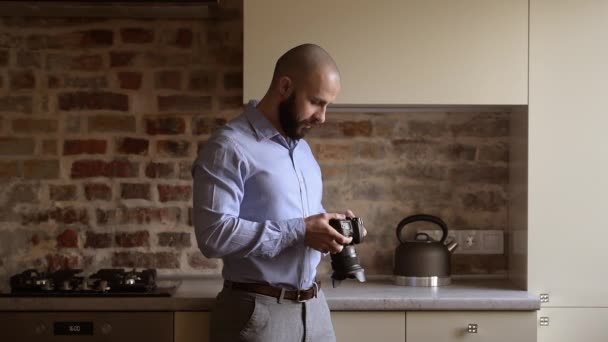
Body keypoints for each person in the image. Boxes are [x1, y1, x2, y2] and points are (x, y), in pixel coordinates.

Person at [191, 43, 359, 341]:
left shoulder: (303, 150)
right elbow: (213, 236)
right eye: (316, 102)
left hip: (315, 310)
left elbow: (297, 225)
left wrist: (329, 231)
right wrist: (300, 231)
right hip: (258, 313)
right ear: (285, 86)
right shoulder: (229, 147)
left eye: (327, 106)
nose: (322, 117)